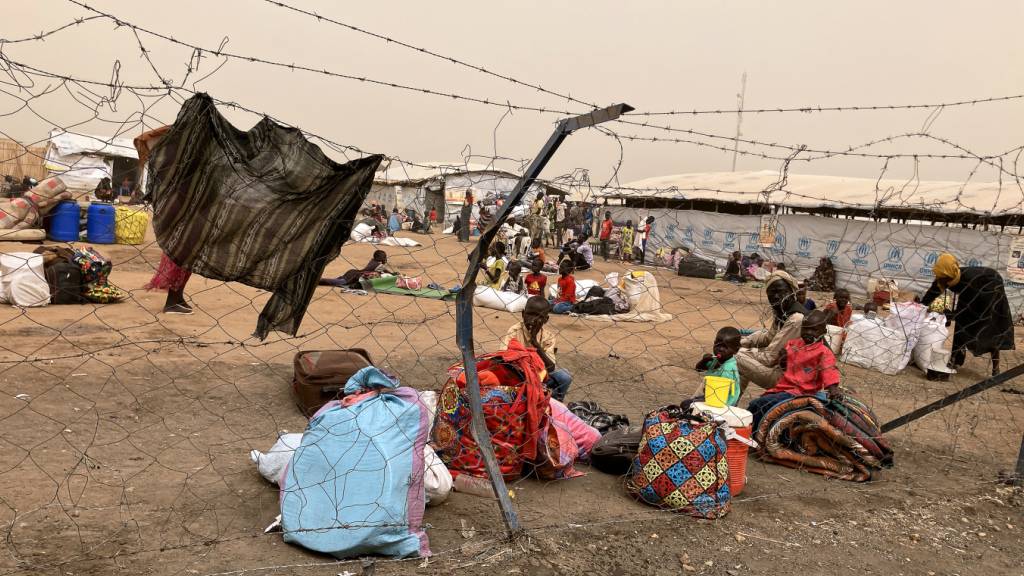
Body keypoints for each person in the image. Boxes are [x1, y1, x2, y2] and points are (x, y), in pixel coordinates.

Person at [921, 253, 1015, 375]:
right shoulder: (944, 277)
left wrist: (951, 315)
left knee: (991, 329)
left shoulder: (970, 280)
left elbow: (971, 307)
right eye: (939, 276)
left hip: (990, 288)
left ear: (950, 273)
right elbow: (933, 291)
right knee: (961, 326)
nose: (940, 279)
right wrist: (922, 305)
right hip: (972, 294)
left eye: (943, 277)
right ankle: (955, 360)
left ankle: (995, 369)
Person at [747, 310, 841, 429]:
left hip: (802, 392)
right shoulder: (793, 344)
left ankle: (752, 433)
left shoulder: (823, 352)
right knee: (760, 404)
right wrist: (782, 359)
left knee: (758, 404)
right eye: (805, 329)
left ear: (823, 332)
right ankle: (756, 431)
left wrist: (833, 389)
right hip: (783, 388)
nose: (808, 333)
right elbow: (784, 366)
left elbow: (829, 370)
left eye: (814, 330)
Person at [735, 270, 806, 395]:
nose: (776, 296)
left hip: (789, 378)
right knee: (739, 362)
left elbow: (769, 358)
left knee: (733, 358)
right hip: (782, 370)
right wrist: (740, 342)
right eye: (772, 293)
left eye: (781, 291)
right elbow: (769, 337)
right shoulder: (783, 311)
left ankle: (706, 403)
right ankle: (727, 405)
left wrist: (737, 350)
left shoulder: (796, 318)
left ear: (791, 291)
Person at [501, 296, 572, 401]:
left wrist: (535, 342)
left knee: (564, 376)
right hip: (518, 377)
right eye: (530, 314)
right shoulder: (515, 331)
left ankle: (555, 401)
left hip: (541, 378)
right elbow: (503, 357)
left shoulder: (548, 337)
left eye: (539, 316)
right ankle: (533, 397)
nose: (533, 320)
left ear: (545, 319)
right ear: (523, 314)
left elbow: (551, 367)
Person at [694, 327, 743, 406]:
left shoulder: (728, 369)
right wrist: (704, 361)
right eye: (718, 345)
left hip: (723, 401)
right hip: (712, 395)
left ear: (736, 350)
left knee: (688, 405)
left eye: (725, 347)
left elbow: (722, 393)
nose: (720, 349)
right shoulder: (716, 359)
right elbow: (698, 369)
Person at [321, 250, 392, 287]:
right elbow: (387, 272)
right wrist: (394, 274)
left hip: (353, 272)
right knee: (340, 282)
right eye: (384, 257)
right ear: (381, 258)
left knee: (338, 280)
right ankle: (321, 280)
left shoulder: (372, 260)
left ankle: (322, 280)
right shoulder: (379, 265)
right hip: (355, 275)